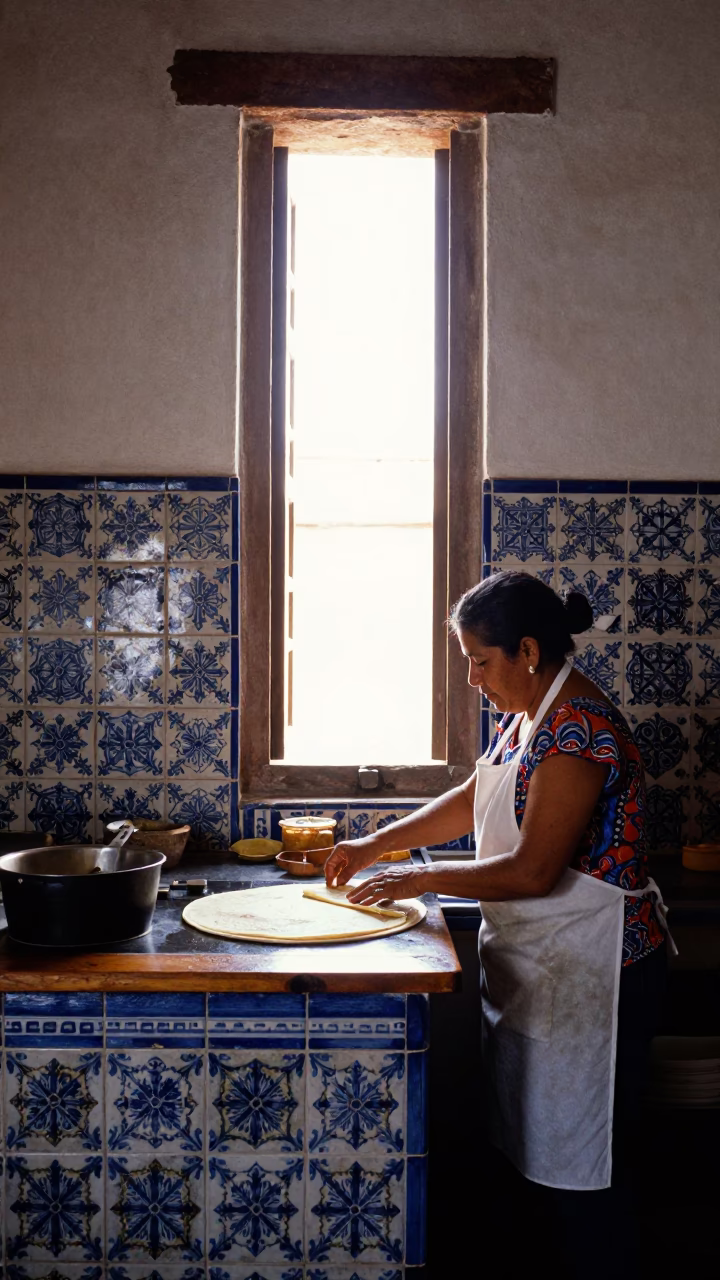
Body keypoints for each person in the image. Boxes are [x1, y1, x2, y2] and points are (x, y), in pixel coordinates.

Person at [324, 570, 672, 1277]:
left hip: (598, 978)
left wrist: (418, 875)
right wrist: (375, 843)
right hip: (546, 972)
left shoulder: (579, 728)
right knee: (537, 1163)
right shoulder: (532, 712)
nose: (475, 680)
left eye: (481, 663)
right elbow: (475, 793)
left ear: (529, 651)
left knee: (587, 1177)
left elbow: (532, 870)